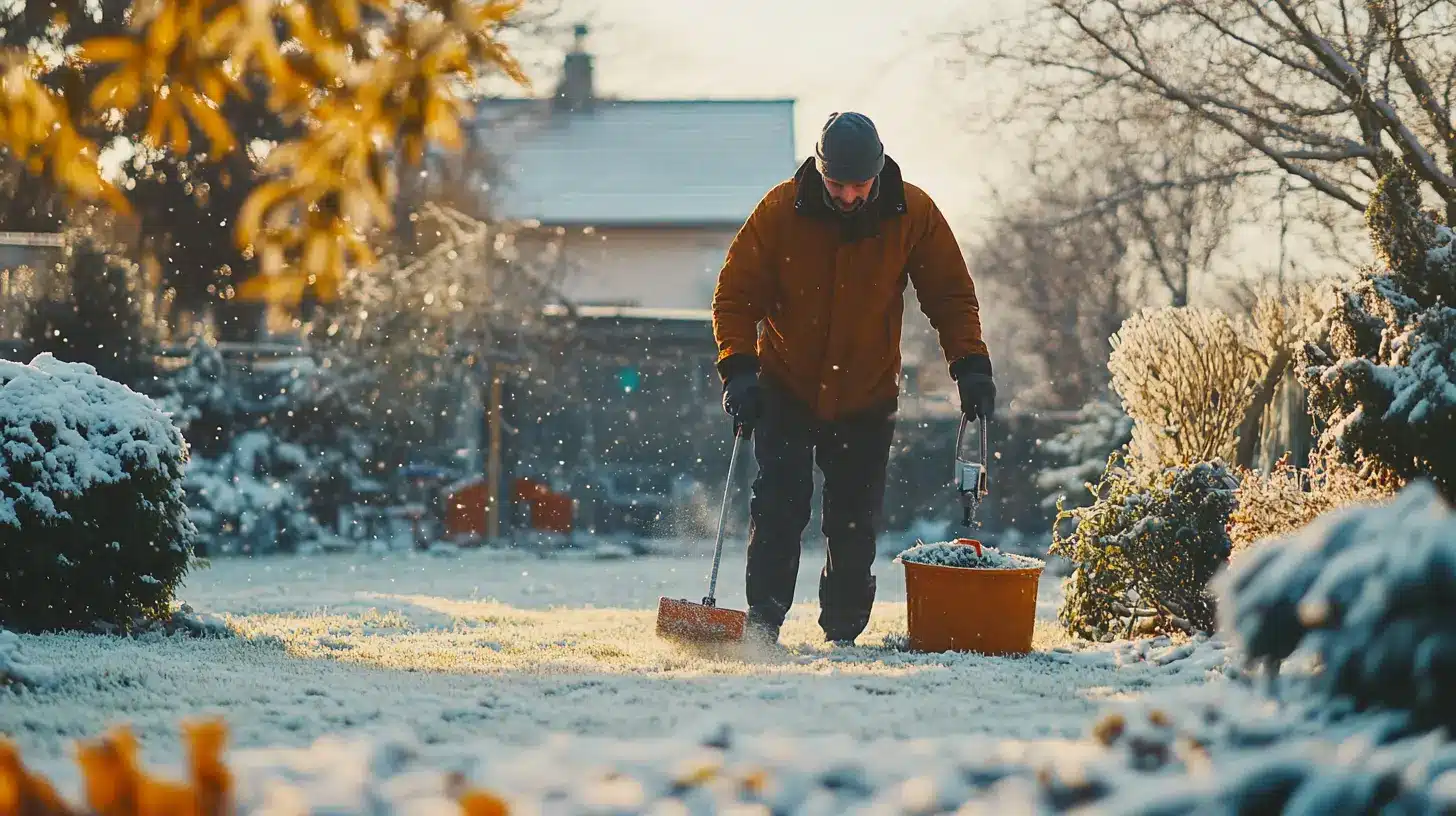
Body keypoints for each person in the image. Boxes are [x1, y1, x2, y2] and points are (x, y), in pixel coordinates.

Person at [711, 111, 997, 647]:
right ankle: (763, 626)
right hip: (786, 386)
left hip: (866, 393)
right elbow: (734, 297)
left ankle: (843, 630)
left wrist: (971, 365)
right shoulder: (779, 211)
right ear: (819, 171)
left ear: (879, 168)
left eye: (858, 185)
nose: (846, 196)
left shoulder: (913, 212)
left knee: (853, 519)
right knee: (778, 508)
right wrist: (739, 369)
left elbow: (950, 295)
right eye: (836, 183)